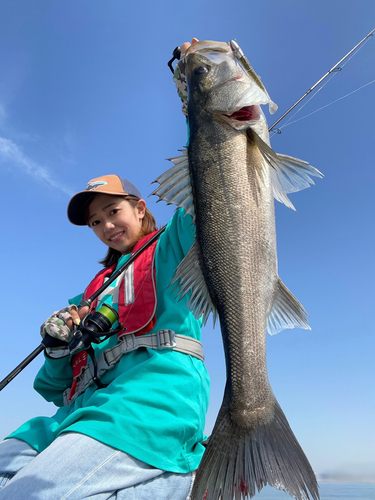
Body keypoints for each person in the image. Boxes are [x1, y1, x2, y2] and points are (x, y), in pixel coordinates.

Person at [0, 38, 209, 500]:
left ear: (138, 207)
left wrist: (194, 95)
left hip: (148, 405)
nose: (106, 225)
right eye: (95, 221)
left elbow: (206, 188)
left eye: (113, 211)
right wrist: (56, 346)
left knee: (27, 495)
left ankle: (178, 478)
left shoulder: (172, 247)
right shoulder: (87, 297)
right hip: (74, 415)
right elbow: (54, 390)